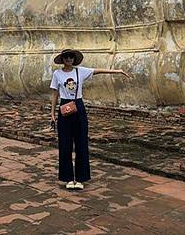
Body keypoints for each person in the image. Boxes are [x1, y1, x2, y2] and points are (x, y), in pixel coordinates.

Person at [50, 48, 130, 190]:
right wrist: (52, 113)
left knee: (81, 142)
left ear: (74, 59)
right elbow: (54, 93)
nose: (69, 59)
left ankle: (80, 178)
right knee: (65, 144)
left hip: (78, 107)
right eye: (66, 57)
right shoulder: (57, 74)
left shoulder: (80, 71)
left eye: (71, 57)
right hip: (64, 107)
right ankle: (68, 178)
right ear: (62, 59)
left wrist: (117, 71)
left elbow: (97, 71)